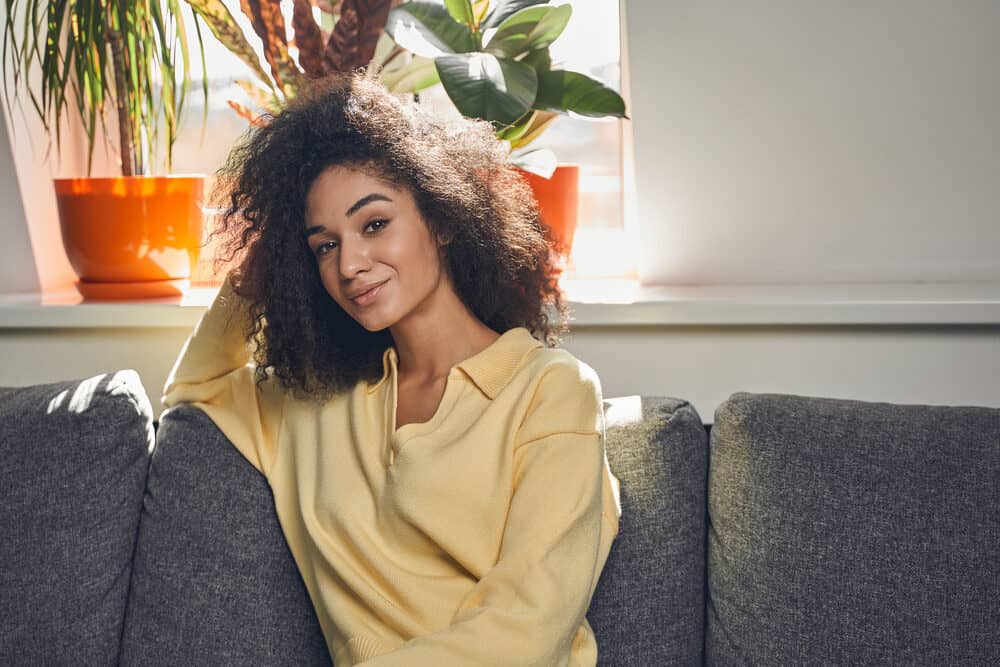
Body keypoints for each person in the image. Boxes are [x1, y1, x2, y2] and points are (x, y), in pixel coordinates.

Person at [162, 71, 621, 666]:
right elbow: (193, 394)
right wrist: (251, 282)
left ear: (444, 217)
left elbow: (526, 630)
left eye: (374, 224)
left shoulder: (550, 391)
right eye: (323, 245)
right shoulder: (318, 404)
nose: (350, 263)